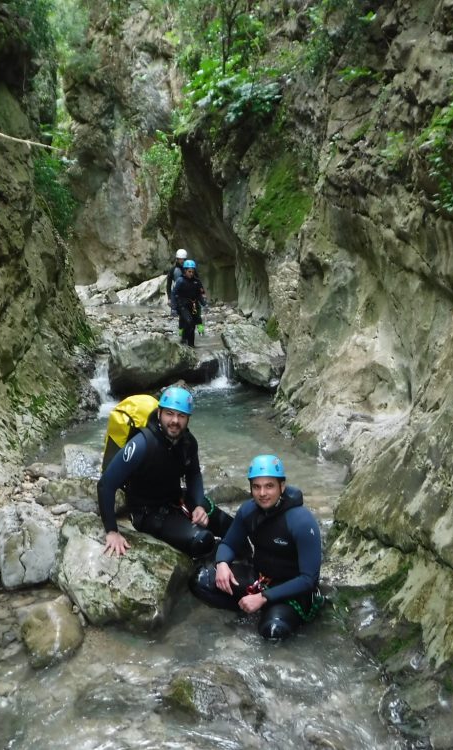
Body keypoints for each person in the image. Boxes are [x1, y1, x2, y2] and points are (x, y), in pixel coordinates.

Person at [190, 454, 322, 640]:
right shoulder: (248, 511)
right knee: (200, 581)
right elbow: (228, 543)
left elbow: (309, 580)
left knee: (273, 631)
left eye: (269, 486)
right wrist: (222, 564)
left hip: (292, 590)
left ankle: (266, 611)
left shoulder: (301, 521)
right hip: (260, 578)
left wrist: (263, 598)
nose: (262, 493)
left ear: (282, 487)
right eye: (256, 487)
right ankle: (250, 607)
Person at [98, 385, 232, 558]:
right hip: (147, 512)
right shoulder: (141, 445)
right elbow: (105, 485)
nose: (175, 420)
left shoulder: (188, 443)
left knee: (230, 526)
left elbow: (194, 474)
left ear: (188, 418)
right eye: (169, 413)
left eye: (181, 415)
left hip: (175, 499)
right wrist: (111, 531)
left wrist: (198, 505)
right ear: (159, 413)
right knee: (202, 541)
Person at [170, 260, 208, 347]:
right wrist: (174, 308)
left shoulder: (196, 282)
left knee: (193, 326)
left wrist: (204, 304)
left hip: (193, 306)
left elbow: (199, 295)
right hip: (183, 306)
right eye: (189, 271)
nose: (191, 273)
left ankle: (191, 345)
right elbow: (174, 294)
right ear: (185, 271)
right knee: (189, 322)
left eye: (192, 271)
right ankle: (183, 339)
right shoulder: (180, 281)